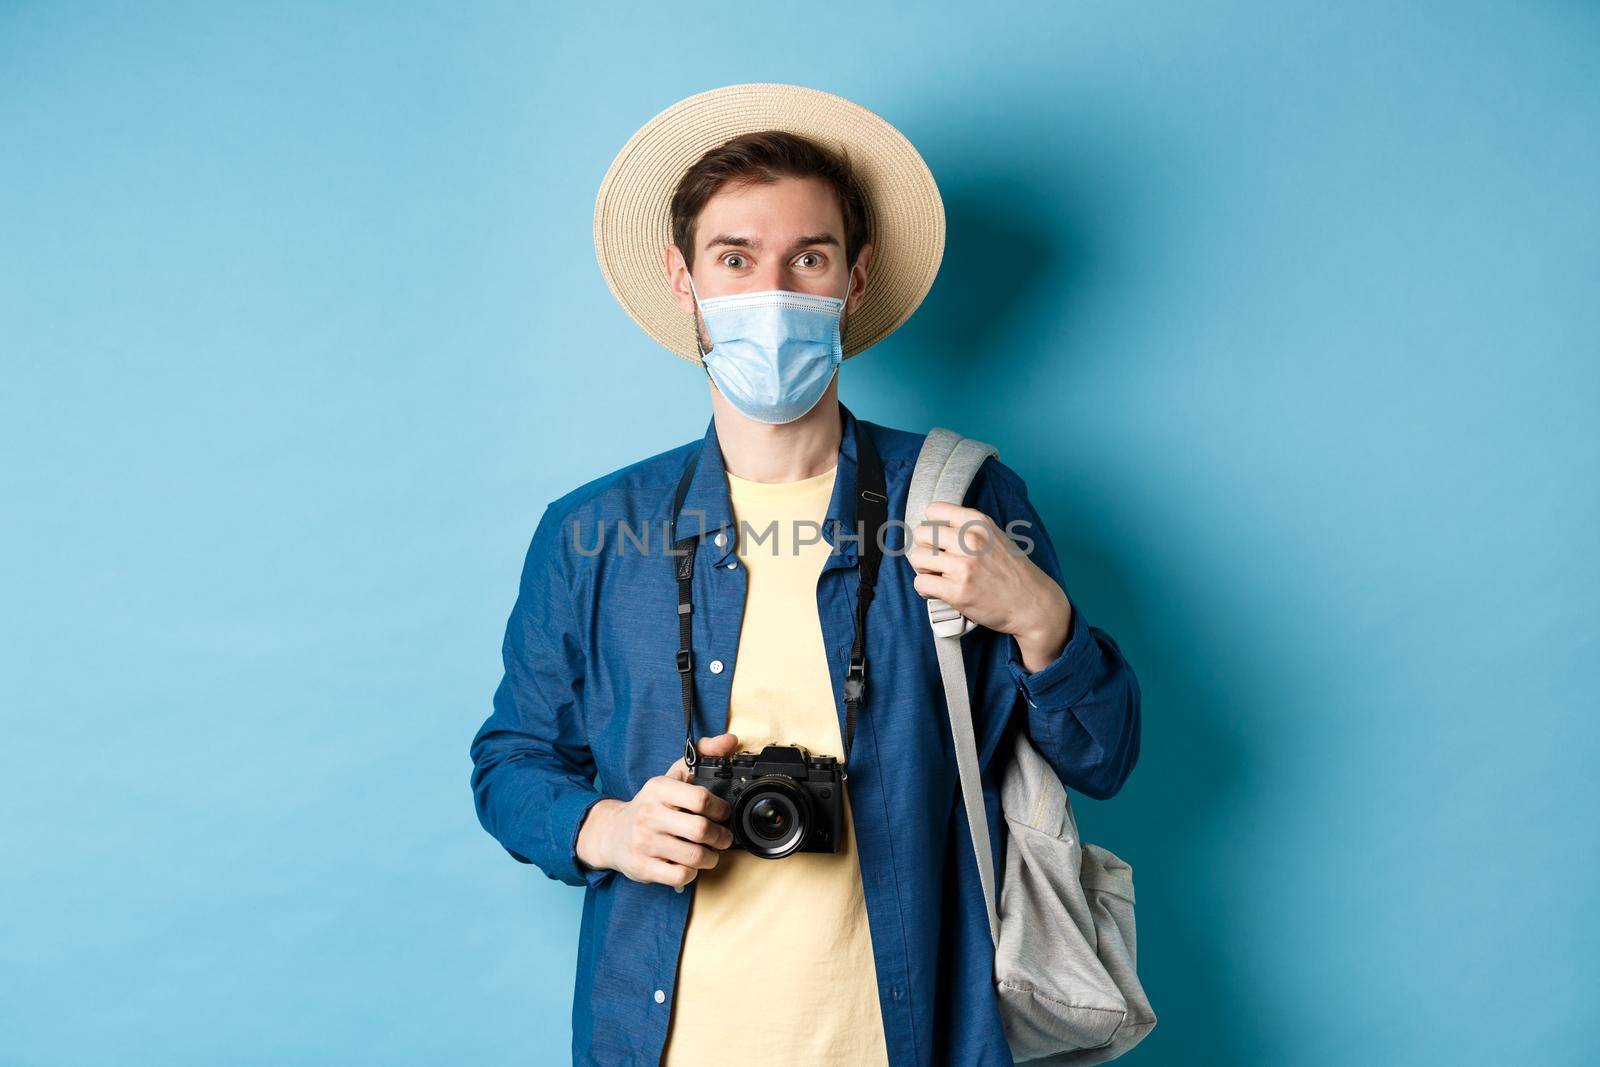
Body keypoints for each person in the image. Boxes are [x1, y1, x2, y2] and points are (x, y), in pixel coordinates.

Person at [469, 84, 1142, 1067]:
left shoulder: (961, 496)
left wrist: (1044, 620)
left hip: (910, 1036)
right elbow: (509, 763)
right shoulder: (593, 531)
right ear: (682, 277)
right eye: (734, 258)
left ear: (854, 278)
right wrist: (606, 826)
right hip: (660, 1038)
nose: (770, 292)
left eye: (808, 259)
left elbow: (1103, 758)